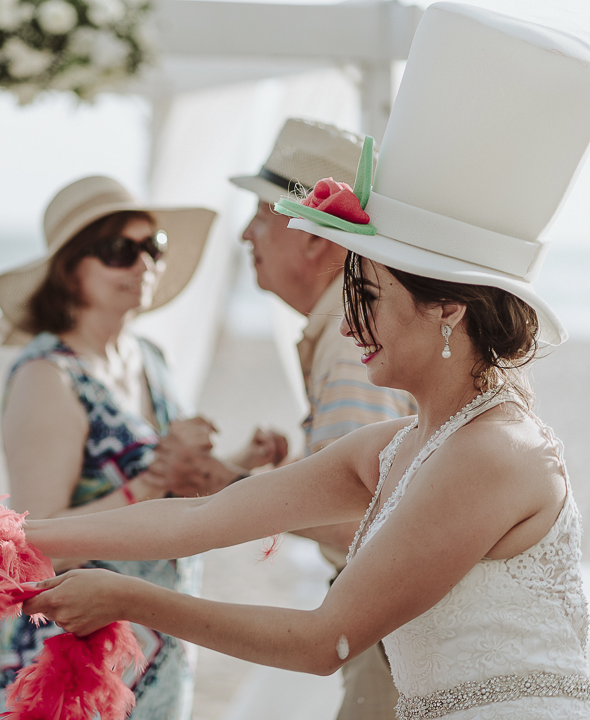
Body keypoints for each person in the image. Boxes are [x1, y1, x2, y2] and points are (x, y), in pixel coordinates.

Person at [22, 5, 590, 719]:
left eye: (371, 297)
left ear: (448, 309)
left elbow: (325, 640)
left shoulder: (495, 452)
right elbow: (201, 518)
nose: (350, 323)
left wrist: (129, 596)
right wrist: (12, 537)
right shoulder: (390, 447)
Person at [0, 176, 283, 719]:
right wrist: (156, 479)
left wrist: (235, 464)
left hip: (153, 646)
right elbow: (37, 545)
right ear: (71, 270)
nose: (142, 265)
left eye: (152, 248)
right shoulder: (49, 376)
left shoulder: (149, 357)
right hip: (67, 660)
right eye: (120, 251)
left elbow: (161, 488)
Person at [154, 119, 417, 720]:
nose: (247, 233)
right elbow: (386, 490)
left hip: (389, 633)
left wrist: (228, 486)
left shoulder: (351, 351)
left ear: (315, 239)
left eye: (263, 215)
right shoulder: (344, 334)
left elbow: (367, 526)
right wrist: (294, 472)